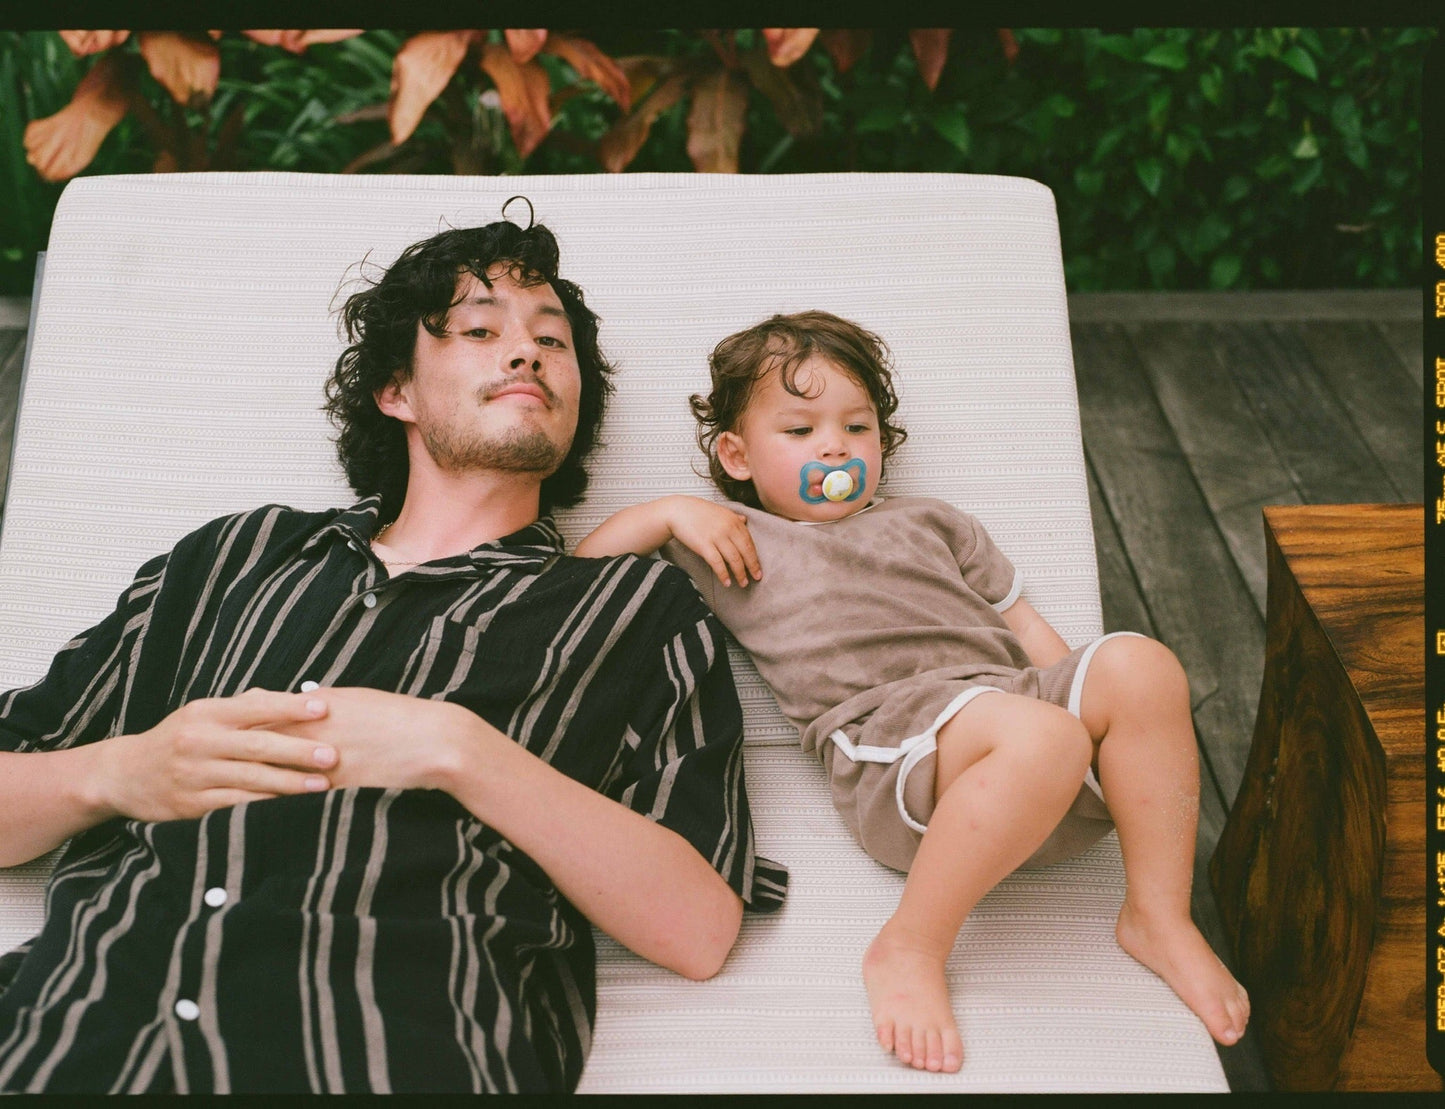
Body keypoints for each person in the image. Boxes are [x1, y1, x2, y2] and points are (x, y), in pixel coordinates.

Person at [0, 214, 785, 1094]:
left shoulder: (633, 607)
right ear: (395, 390)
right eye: (480, 330)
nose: (525, 353)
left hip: (387, 1057)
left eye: (551, 341)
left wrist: (462, 751)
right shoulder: (235, 556)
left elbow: (698, 929)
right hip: (69, 1041)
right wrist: (117, 772)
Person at [575, 309, 1249, 1075]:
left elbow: (1028, 631)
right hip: (896, 751)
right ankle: (910, 945)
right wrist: (664, 512)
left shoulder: (934, 522)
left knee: (1140, 662)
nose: (834, 445)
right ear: (736, 455)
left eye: (855, 426)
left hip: (1022, 736)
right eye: (799, 430)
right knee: (1043, 733)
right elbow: (581, 576)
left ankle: (1157, 914)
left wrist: (1099, 720)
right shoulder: (728, 536)